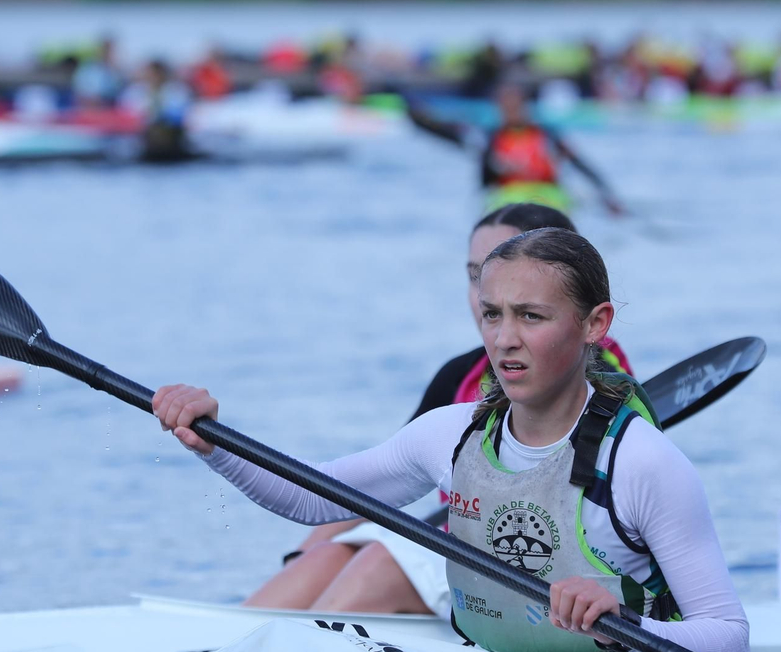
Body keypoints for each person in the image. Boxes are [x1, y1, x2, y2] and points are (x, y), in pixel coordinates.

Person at [152, 227, 748, 652]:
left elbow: (727, 637)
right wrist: (212, 443)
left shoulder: (644, 463)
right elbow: (315, 499)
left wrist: (628, 625)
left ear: (596, 324)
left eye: (531, 317)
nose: (504, 338)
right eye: (492, 314)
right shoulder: (450, 433)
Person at [245, 203, 634, 616]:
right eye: (476, 275)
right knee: (330, 555)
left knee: (382, 560)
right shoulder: (459, 376)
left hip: (542, 573)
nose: (489, 290)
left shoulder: (604, 382)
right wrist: (302, 555)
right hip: (462, 547)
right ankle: (224, 646)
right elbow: (366, 489)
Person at [407, 83, 625, 217]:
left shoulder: (548, 135)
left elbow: (582, 166)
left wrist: (608, 196)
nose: (510, 111)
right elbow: (449, 135)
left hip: (548, 195)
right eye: (505, 106)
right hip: (505, 196)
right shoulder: (488, 137)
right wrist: (416, 117)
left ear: (525, 106)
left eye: (515, 106)